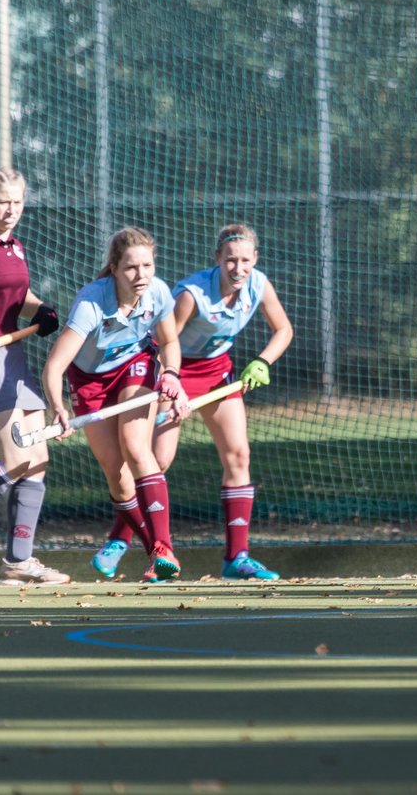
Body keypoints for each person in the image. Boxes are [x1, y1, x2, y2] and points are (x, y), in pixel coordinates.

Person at [88, 223, 293, 581]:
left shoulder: (259, 284)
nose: (238, 268)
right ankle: (120, 541)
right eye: (231, 260)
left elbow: (284, 329)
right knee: (158, 460)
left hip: (218, 375)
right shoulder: (192, 294)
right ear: (217, 259)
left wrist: (263, 361)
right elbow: (162, 343)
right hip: (175, 373)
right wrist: (174, 384)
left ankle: (236, 557)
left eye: (246, 260)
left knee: (239, 455)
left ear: (255, 259)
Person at [42, 227, 190, 583]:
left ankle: (163, 548)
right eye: (131, 268)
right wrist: (58, 407)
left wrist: (171, 374)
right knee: (116, 474)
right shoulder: (92, 302)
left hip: (134, 365)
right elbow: (55, 366)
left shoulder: (157, 292)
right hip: (88, 380)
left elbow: (169, 341)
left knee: (137, 446)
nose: (141, 276)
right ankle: (157, 553)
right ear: (114, 267)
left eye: (147, 266)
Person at [0, 167, 68, 585]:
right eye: (3, 202)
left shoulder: (15, 248)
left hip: (15, 356)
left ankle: (18, 563)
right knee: (15, 458)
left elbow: (15, 296)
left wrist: (40, 310)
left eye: (18, 203)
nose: (11, 210)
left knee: (37, 459)